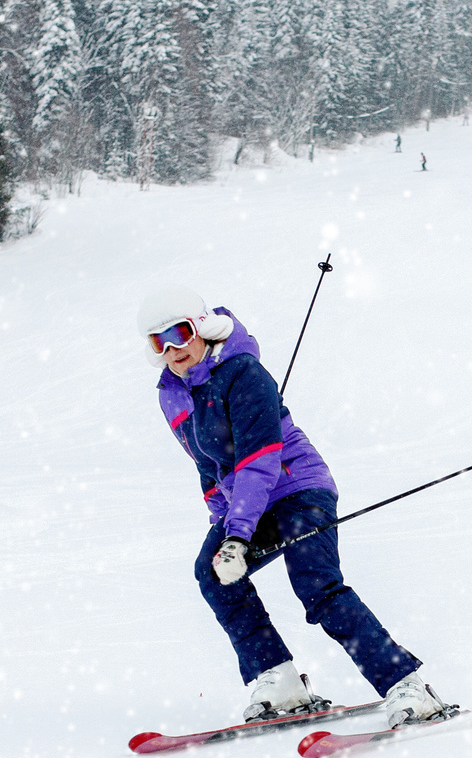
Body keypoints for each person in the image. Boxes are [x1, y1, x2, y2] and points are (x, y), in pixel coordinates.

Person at [139, 285, 448, 724]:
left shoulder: (243, 372)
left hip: (297, 488)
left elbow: (259, 461)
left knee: (316, 586)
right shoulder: (172, 393)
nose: (172, 348)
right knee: (212, 574)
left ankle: (408, 687)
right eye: (158, 341)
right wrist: (224, 528)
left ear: (202, 327)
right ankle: (279, 679)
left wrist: (237, 536)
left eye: (180, 332)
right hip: (249, 504)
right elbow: (207, 464)